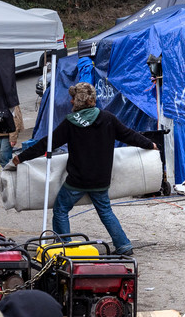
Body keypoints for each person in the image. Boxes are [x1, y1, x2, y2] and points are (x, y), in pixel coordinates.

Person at [14, 82, 156, 255]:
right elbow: (129, 135)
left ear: (79, 101)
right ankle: (124, 246)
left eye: (73, 98)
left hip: (77, 181)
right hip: (101, 180)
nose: (71, 102)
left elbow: (46, 144)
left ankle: (65, 247)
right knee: (105, 212)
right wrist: (150, 144)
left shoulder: (70, 123)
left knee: (60, 209)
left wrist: (21, 157)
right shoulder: (108, 118)